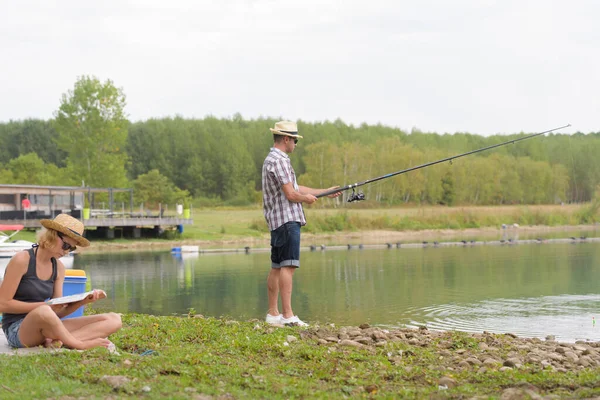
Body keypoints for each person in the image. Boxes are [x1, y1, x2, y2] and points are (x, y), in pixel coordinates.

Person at [0, 214, 121, 350]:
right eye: (65, 245)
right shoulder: (22, 260)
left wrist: (82, 301)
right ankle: (78, 343)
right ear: (52, 235)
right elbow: (3, 304)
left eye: (72, 248)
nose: (67, 252)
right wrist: (44, 305)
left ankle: (57, 342)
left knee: (113, 319)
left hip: (46, 324)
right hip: (17, 329)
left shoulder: (58, 268)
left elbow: (56, 313)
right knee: (44, 311)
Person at [262, 121, 341, 326]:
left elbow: (295, 187)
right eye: (295, 140)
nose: (296, 144)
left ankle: (273, 314)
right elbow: (291, 194)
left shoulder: (272, 159)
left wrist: (325, 192)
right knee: (288, 266)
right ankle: (288, 316)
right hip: (288, 220)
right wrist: (305, 199)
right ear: (286, 139)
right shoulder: (280, 160)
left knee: (277, 267)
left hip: (277, 221)